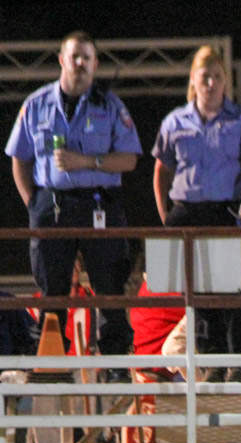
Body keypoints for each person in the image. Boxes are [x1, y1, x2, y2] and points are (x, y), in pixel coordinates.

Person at [5, 31, 140, 372]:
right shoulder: (36, 105)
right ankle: (51, 367)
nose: (80, 63)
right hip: (53, 207)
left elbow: (129, 159)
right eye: (74, 56)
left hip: (99, 205)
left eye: (87, 58)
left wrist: (87, 162)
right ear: (61, 60)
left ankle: (116, 367)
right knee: (52, 291)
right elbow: (19, 158)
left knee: (109, 288)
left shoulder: (111, 106)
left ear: (95, 64)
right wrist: (34, 205)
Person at [152, 45, 241, 381]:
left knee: (240, 287)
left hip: (228, 209)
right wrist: (166, 215)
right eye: (205, 77)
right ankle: (213, 360)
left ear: (225, 81)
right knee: (197, 292)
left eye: (217, 77)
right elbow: (161, 171)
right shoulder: (175, 121)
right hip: (188, 212)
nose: (211, 83)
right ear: (193, 80)